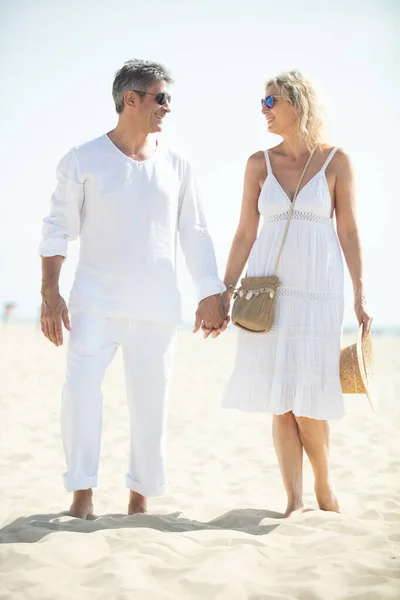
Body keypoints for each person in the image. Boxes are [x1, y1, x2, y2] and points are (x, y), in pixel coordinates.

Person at [39, 59, 228, 519]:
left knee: (150, 405)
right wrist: (49, 292)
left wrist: (210, 291)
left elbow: (196, 232)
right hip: (94, 305)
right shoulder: (83, 158)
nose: (168, 107)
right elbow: (57, 228)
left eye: (168, 98)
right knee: (80, 392)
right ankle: (81, 494)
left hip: (157, 308)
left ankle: (139, 499)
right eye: (160, 97)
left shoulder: (178, 164)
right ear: (131, 99)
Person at [219, 71, 372, 516]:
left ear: (298, 103)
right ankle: (294, 500)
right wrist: (225, 291)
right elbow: (245, 233)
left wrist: (361, 294)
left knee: (309, 394)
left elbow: (348, 230)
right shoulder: (257, 163)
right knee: (279, 397)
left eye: (270, 102)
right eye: (262, 103)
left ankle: (324, 484)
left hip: (317, 292)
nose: (263, 110)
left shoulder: (336, 160)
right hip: (266, 291)